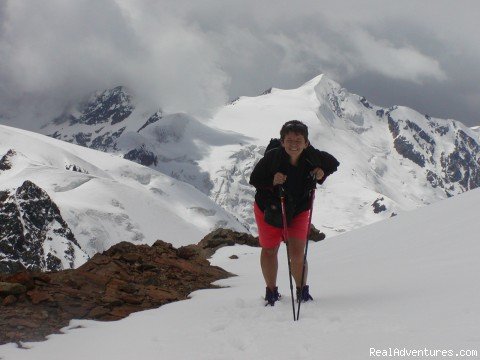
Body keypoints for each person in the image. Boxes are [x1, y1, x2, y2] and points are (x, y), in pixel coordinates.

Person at [249, 120, 339, 306]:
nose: (294, 144)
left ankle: (301, 290)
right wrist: (272, 181)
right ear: (282, 142)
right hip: (269, 209)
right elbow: (255, 179)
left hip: (298, 210)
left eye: (299, 140)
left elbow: (332, 163)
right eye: (289, 140)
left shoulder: (312, 157)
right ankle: (271, 292)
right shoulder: (272, 158)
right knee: (269, 250)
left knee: (297, 255)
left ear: (306, 143)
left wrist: (321, 172)